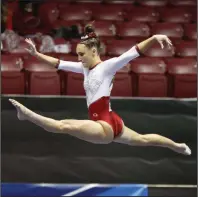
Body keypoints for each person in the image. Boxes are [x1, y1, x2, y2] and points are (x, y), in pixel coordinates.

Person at [9, 24, 191, 156]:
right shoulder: (84, 68)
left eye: (82, 54)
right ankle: (177, 145)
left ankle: (27, 115)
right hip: (113, 119)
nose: (79, 58)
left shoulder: (108, 67)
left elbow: (133, 51)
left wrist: (154, 37)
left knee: (62, 126)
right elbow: (58, 63)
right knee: (143, 140)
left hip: (104, 126)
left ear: (94, 51)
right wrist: (35, 54)